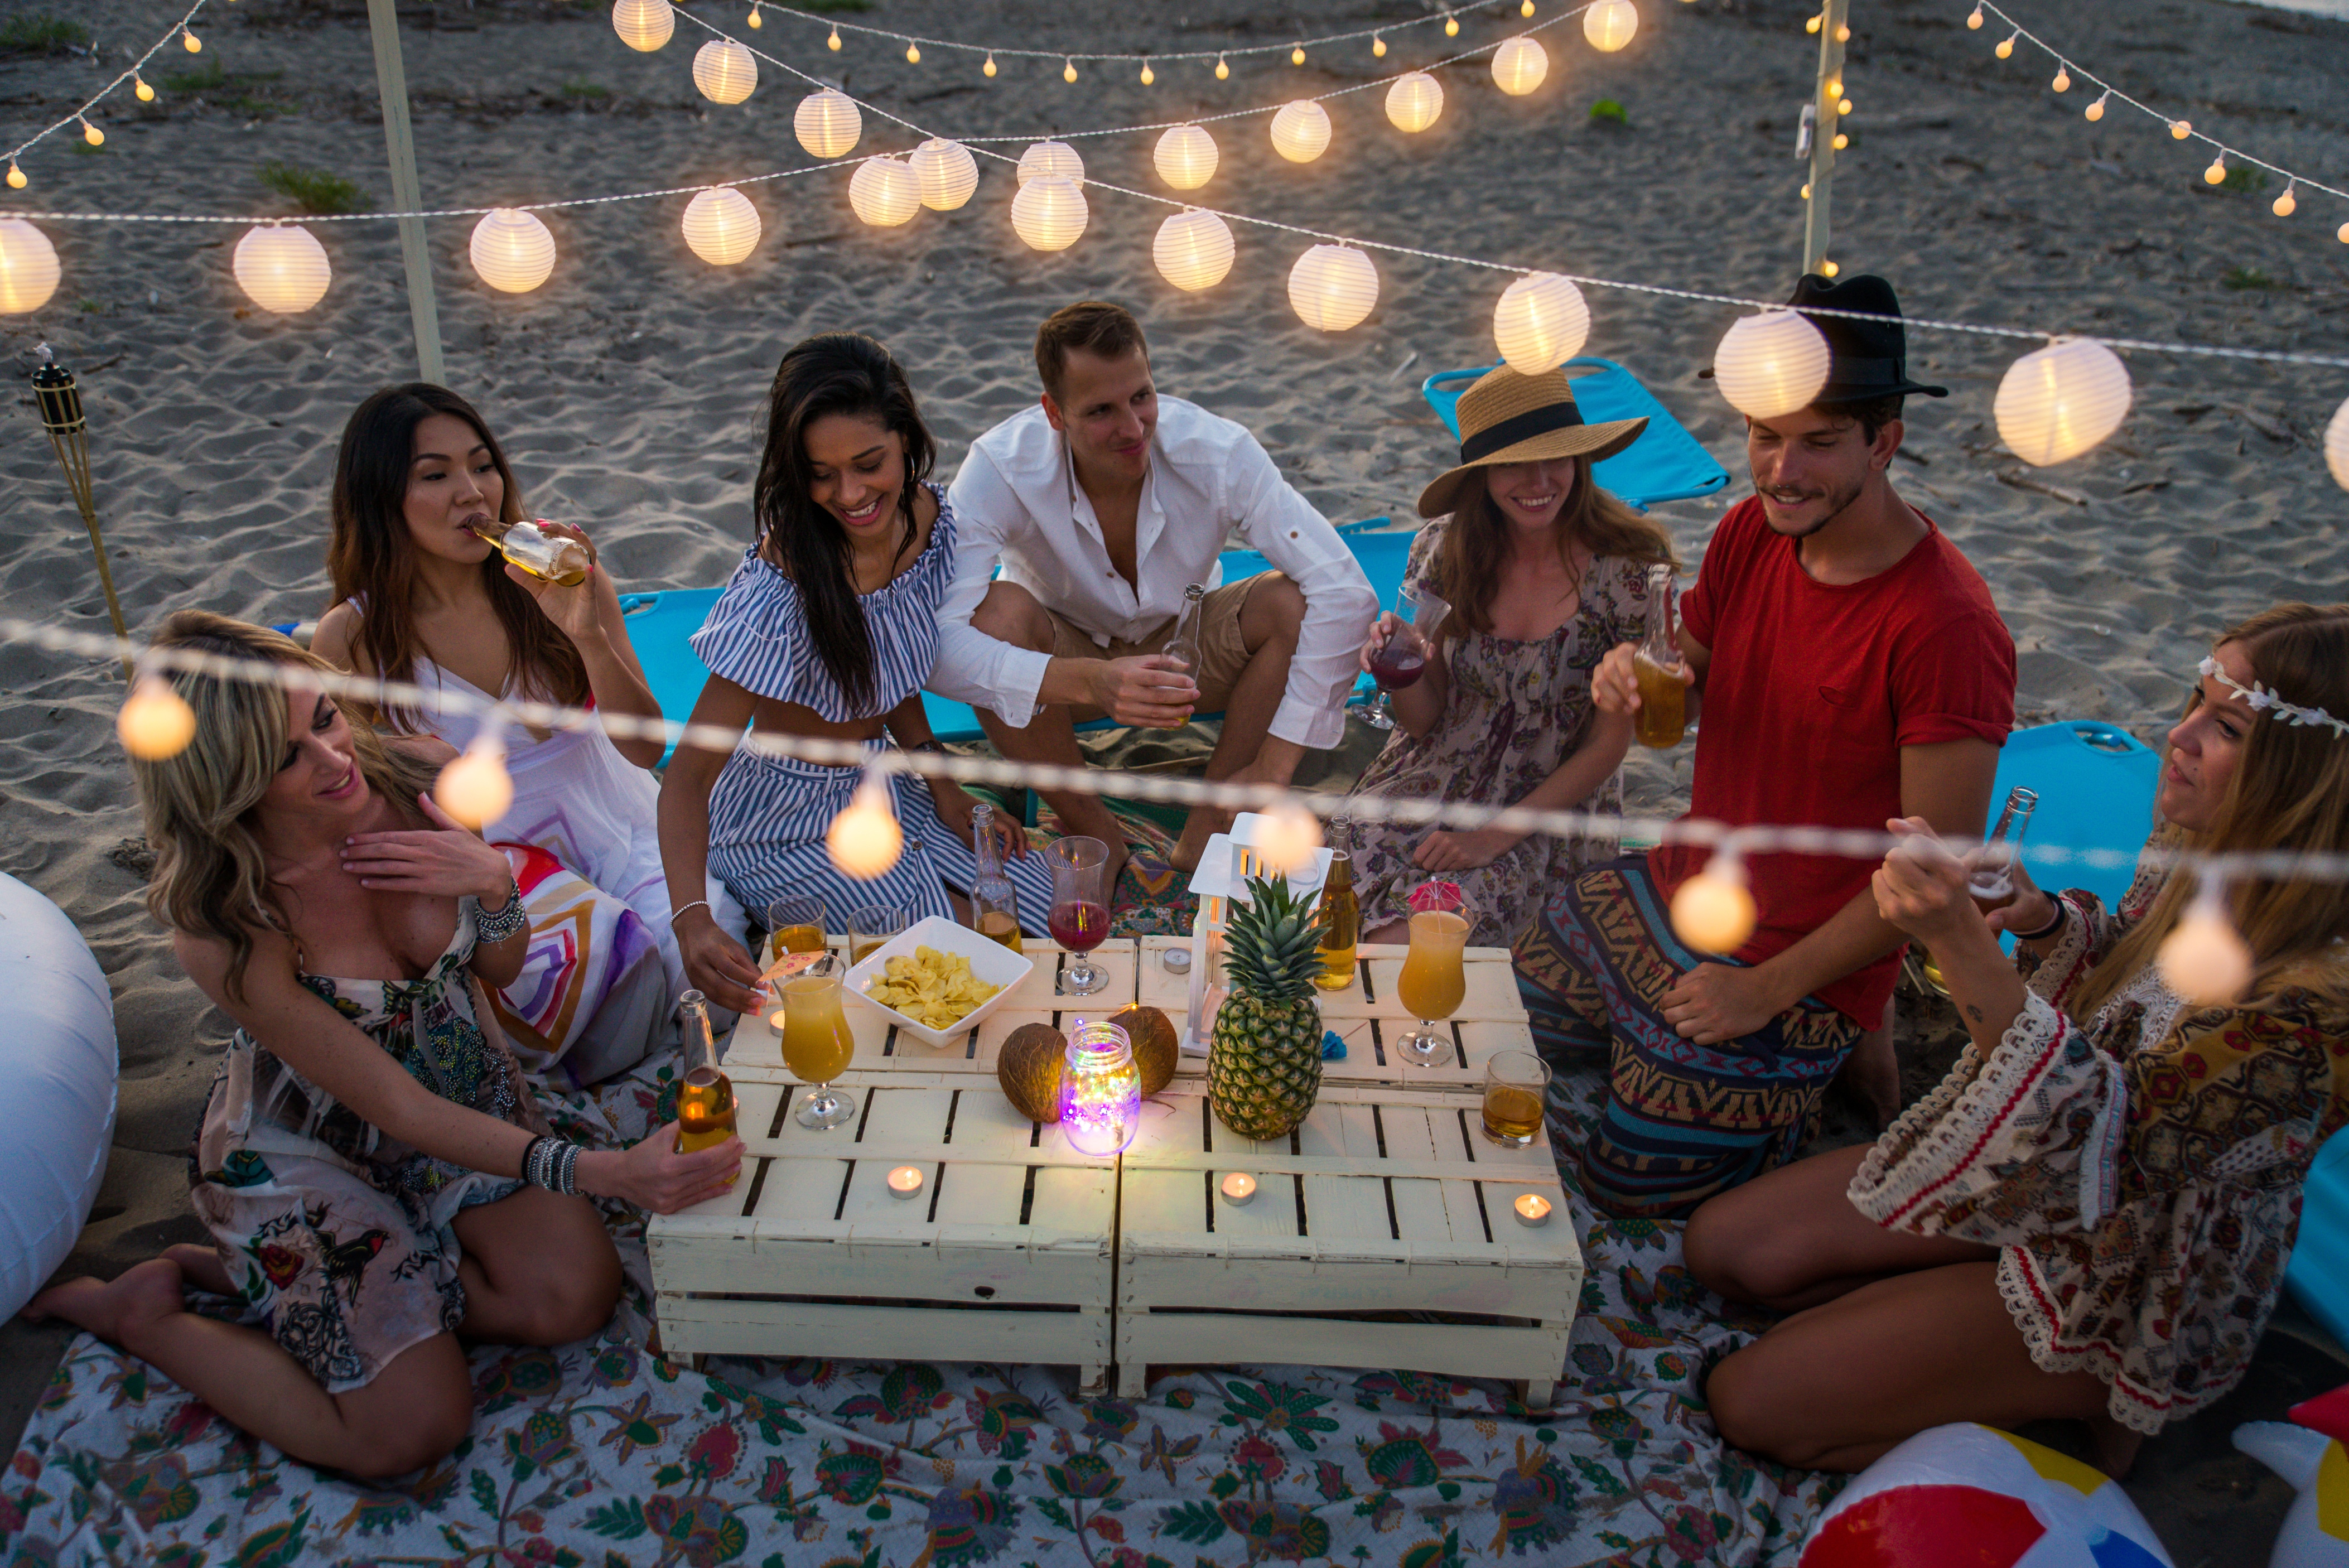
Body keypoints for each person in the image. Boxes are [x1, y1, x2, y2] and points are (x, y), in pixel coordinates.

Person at [24, 613, 738, 1479]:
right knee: (411, 1428)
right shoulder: (228, 923)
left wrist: (494, 883)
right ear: (226, 780)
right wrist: (605, 1171)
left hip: (467, 1094)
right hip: (313, 1144)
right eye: (287, 756)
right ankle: (148, 1315)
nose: (334, 760)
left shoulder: (427, 777)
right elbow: (394, 1107)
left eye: (324, 716)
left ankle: (272, 1283)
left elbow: (498, 973)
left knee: (574, 1296)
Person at [1685, 604, 2349, 1476]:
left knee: (1747, 1402)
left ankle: (2084, 1431)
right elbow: (2124, 977)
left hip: (2127, 1263)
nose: (2177, 734)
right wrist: (2033, 918)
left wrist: (1959, 942)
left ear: (2307, 774)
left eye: (2223, 725)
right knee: (1726, 1249)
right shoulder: (2202, 842)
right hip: (2040, 1167)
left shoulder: (2318, 1004)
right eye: (2192, 697)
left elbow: (2105, 1140)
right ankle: (1945, 1333)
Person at [1513, 273, 2018, 1218]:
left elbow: (1933, 880)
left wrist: (1771, 993)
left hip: (1794, 960)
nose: (1782, 469)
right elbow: (1687, 678)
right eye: (1765, 435)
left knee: (1633, 1182)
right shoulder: (1753, 530)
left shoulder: (1946, 624)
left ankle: (1800, 1081)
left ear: (1885, 442)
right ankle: (1702, 1062)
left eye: (1819, 443)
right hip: (1683, 884)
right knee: (1514, 1005)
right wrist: (1628, 672)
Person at [313, 383, 726, 1081]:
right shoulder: (354, 636)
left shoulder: (558, 577)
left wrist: (588, 632)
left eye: (482, 466)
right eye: (435, 475)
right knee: (571, 983)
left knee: (698, 960)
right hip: (497, 869)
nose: (472, 493)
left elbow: (645, 748)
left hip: (621, 828)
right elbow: (348, 799)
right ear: (383, 497)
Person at [659, 332, 1055, 1019]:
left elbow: (890, 663)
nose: (848, 494)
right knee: (949, 967)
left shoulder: (929, 524)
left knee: (1030, 912)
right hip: (783, 816)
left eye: (868, 464)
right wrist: (691, 918)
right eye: (820, 474)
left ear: (906, 440)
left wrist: (941, 778)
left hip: (885, 777)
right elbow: (689, 777)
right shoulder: (782, 588)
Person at [934, 300, 1380, 886]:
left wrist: (1275, 764)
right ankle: (1094, 834)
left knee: (1290, 603)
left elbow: (1346, 592)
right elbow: (936, 642)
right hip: (1065, 663)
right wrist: (1092, 679)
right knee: (996, 613)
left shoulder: (1216, 450)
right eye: (1099, 411)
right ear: (1053, 412)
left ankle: (1212, 830)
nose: (1132, 427)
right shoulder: (999, 465)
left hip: (1184, 648)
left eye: (1141, 397)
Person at [1339, 365, 1666, 948]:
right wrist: (1402, 669)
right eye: (1514, 463)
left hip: (1549, 799)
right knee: (1323, 900)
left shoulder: (1626, 570)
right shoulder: (1443, 550)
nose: (1537, 480)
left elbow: (1608, 744)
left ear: (1579, 460)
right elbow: (1423, 721)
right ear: (1483, 475)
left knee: (1414, 937)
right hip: (1435, 767)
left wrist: (1494, 836)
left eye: (1555, 458)